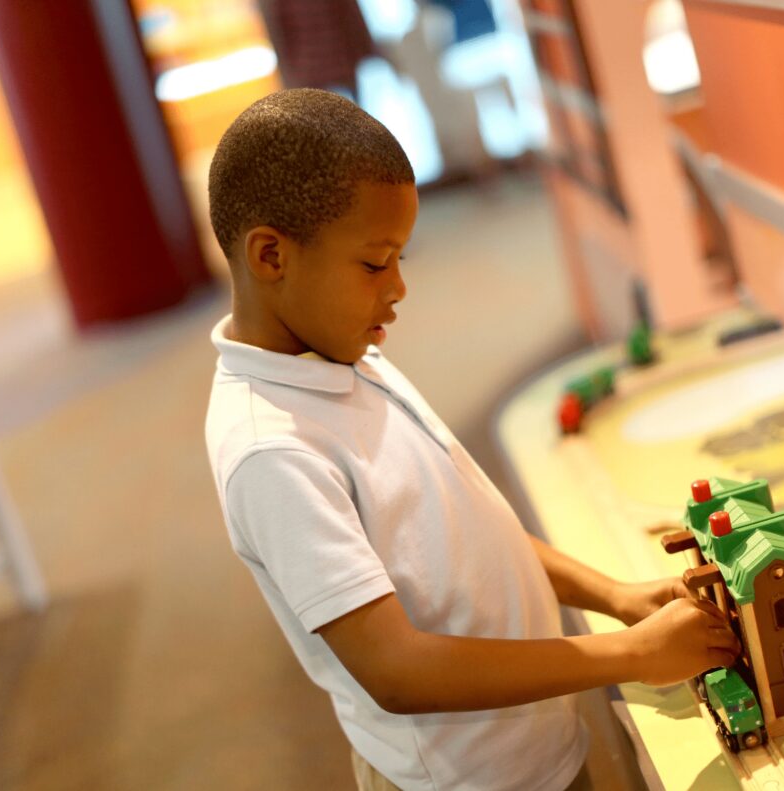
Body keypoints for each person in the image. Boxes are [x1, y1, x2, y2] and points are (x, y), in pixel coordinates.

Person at [205, 88, 739, 791]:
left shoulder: (345, 355)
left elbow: (465, 525)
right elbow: (397, 672)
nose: (399, 288)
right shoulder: (272, 450)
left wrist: (615, 596)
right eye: (375, 263)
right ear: (271, 255)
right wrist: (629, 654)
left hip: (527, 750)